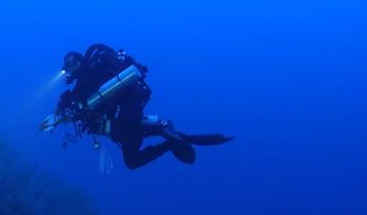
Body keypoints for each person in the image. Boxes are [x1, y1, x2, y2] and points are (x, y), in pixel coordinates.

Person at [50, 43, 232, 169]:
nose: (69, 68)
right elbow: (78, 100)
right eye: (66, 66)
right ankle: (165, 132)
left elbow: (79, 95)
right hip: (126, 115)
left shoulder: (91, 72)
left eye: (71, 63)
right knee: (132, 159)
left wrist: (65, 104)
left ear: (80, 61)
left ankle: (164, 132)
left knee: (126, 137)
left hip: (126, 109)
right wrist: (64, 106)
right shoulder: (84, 81)